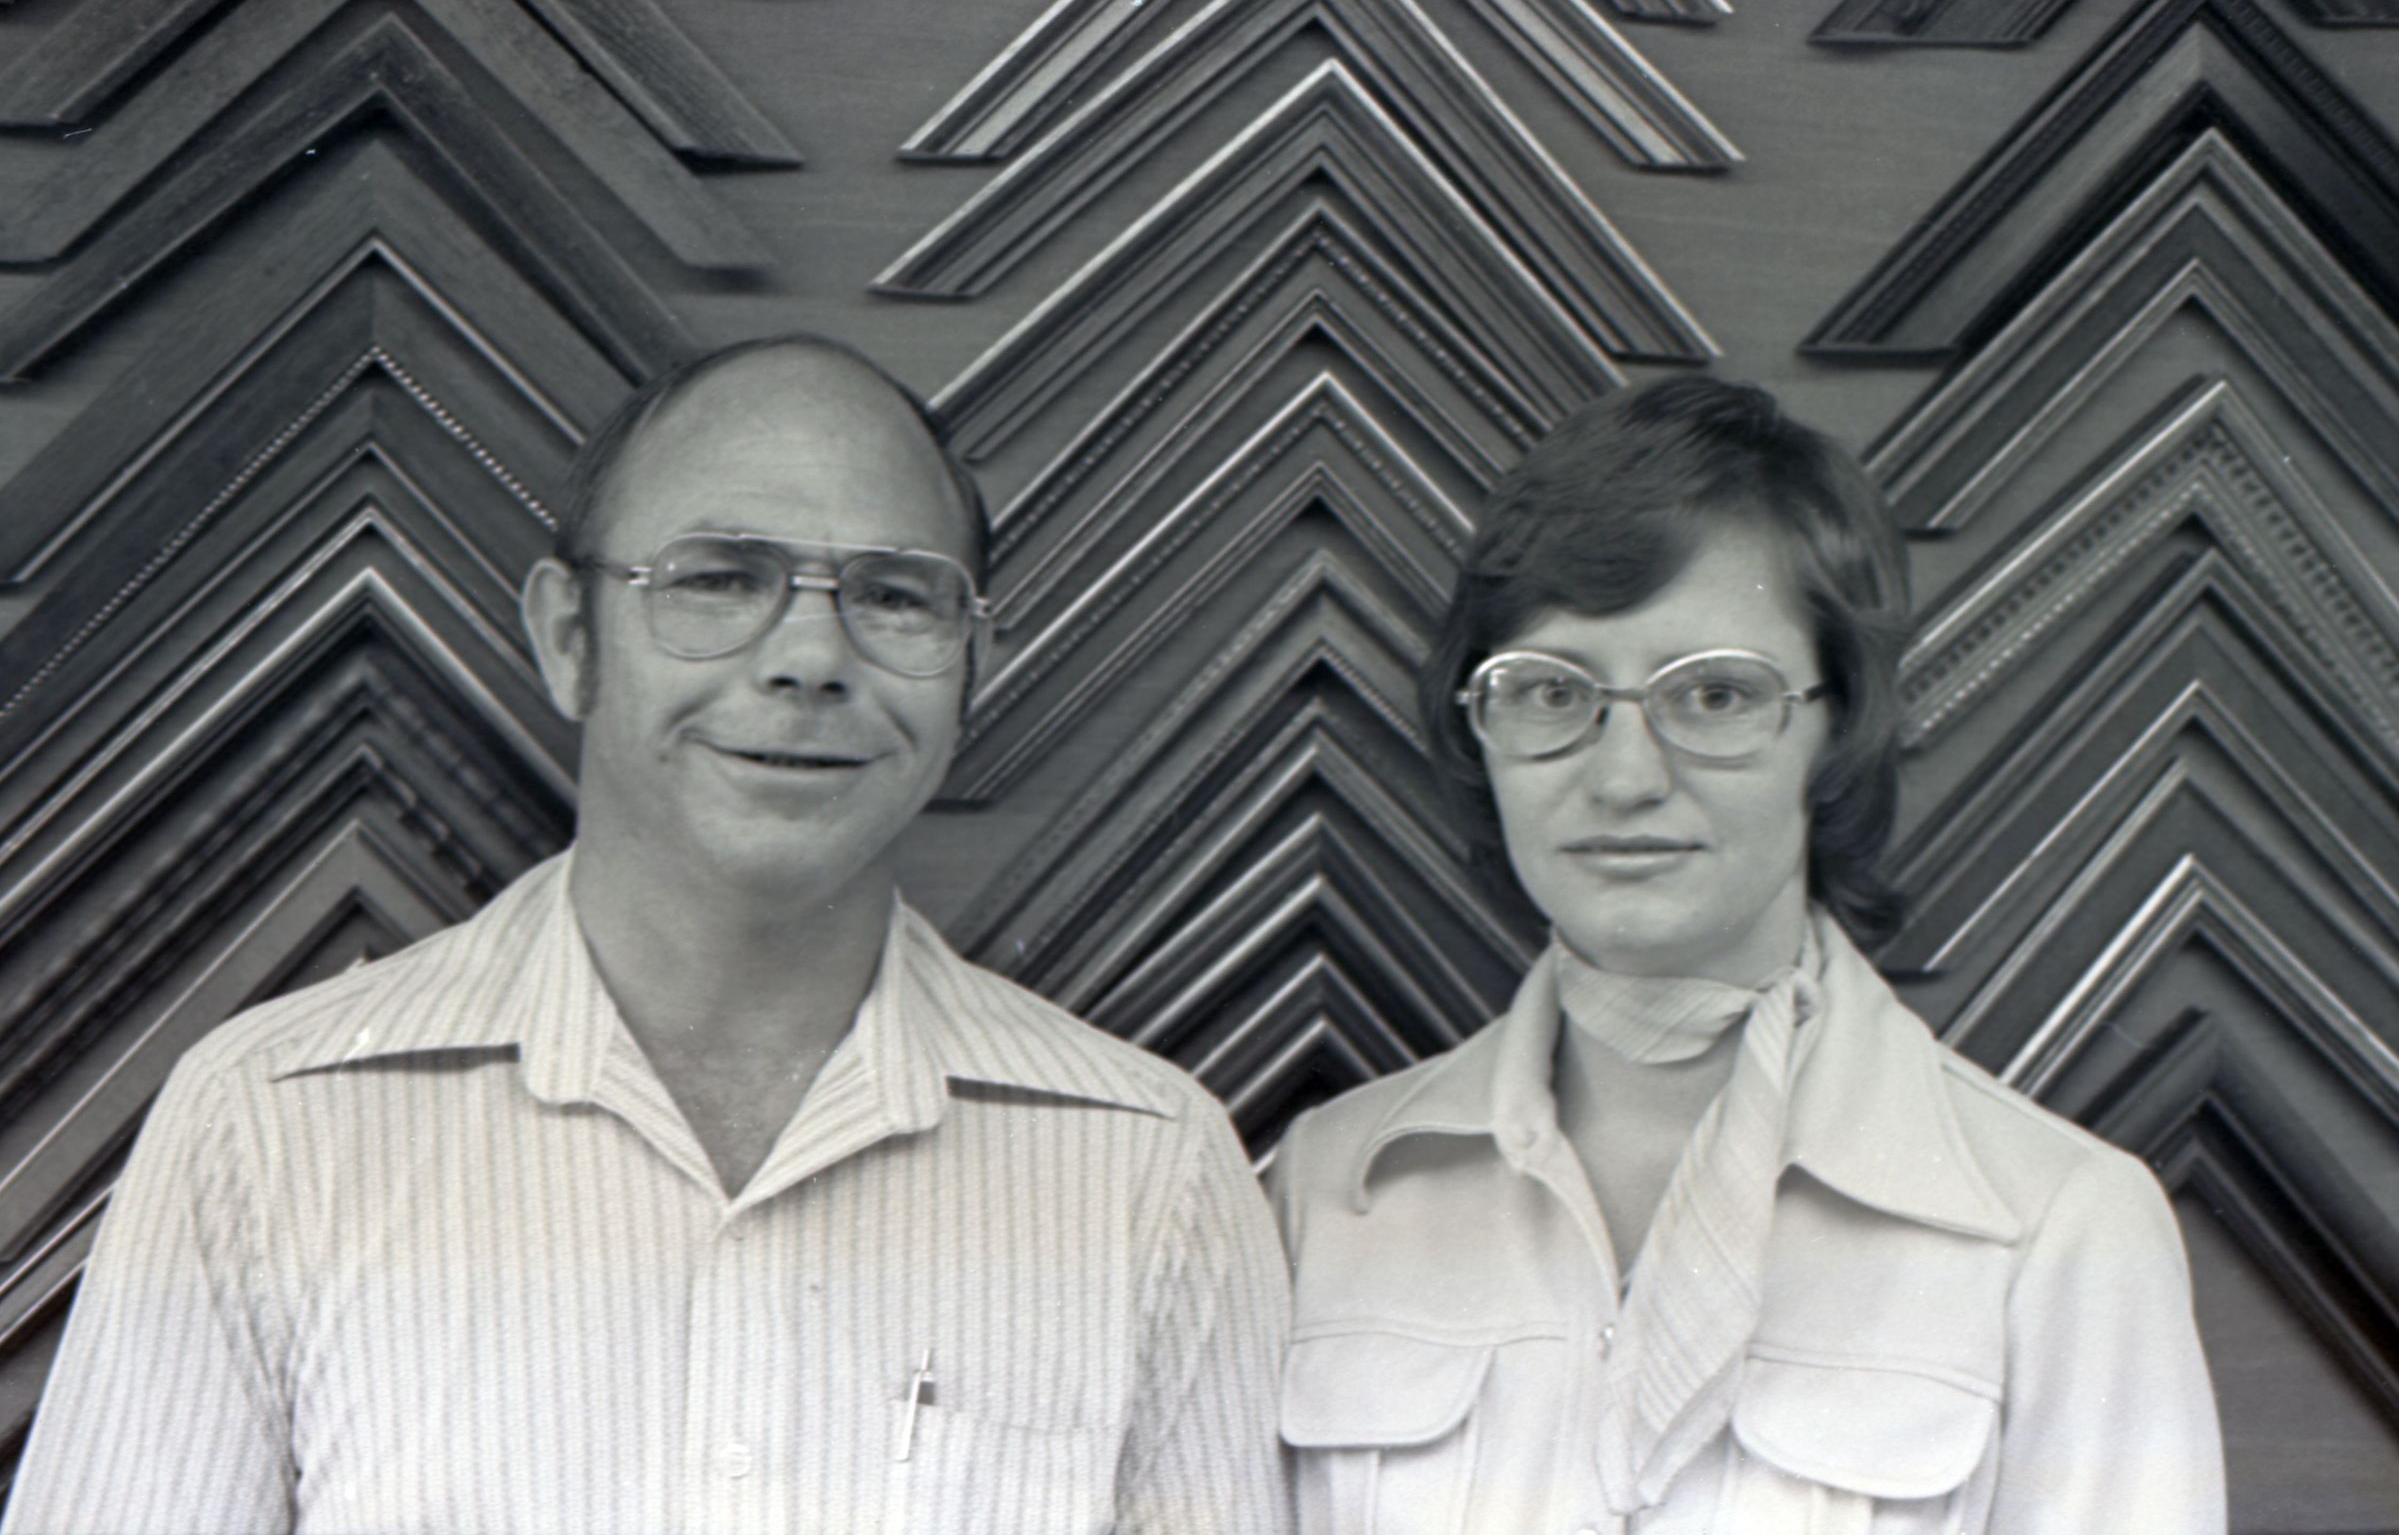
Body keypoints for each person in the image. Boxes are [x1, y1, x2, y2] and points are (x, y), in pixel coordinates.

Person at [6, 335, 1293, 1535]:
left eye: (896, 595)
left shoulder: (1147, 1171)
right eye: (718, 579)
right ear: (571, 638)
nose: (809, 655)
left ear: (971, 667)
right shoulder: (270, 1125)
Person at [1267, 378, 2224, 1532]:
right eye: (1551, 691)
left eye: (1714, 693)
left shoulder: (2053, 1229)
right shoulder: (1326, 1190)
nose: (1623, 776)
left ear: (1837, 727)